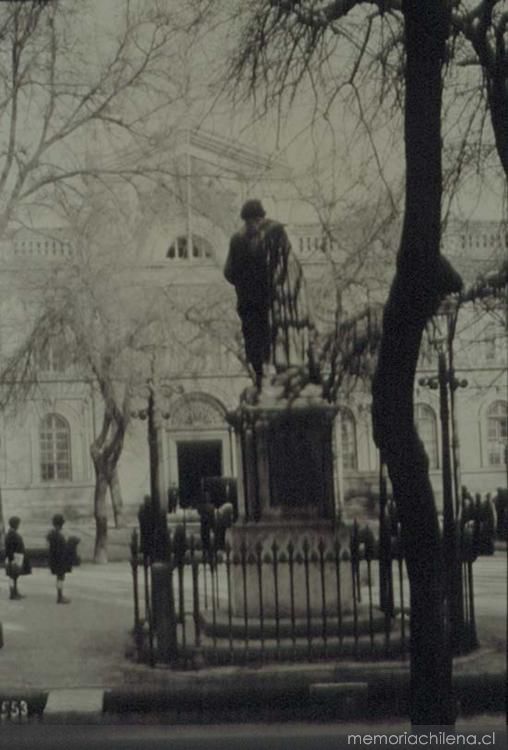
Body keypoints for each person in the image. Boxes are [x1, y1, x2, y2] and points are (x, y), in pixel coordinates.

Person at [224, 199, 316, 389]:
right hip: (265, 301)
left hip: (257, 302)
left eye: (252, 221)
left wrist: (245, 281)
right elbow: (287, 267)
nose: (252, 225)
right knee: (267, 339)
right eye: (251, 221)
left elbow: (229, 273)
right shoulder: (271, 233)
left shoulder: (243, 238)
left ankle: (265, 376)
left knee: (259, 341)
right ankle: (270, 376)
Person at [47, 514, 71, 604]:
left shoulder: (52, 534)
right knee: (60, 578)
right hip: (60, 560)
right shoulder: (58, 536)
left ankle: (60, 595)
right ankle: (60, 596)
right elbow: (60, 549)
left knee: (59, 578)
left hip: (54, 559)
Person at [5, 516, 31, 600]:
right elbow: (11, 548)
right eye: (18, 524)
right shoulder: (12, 534)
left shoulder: (11, 533)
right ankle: (12, 594)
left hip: (15, 557)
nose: (18, 525)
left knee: (15, 577)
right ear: (15, 524)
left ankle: (14, 592)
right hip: (14, 558)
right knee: (13, 577)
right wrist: (12, 559)